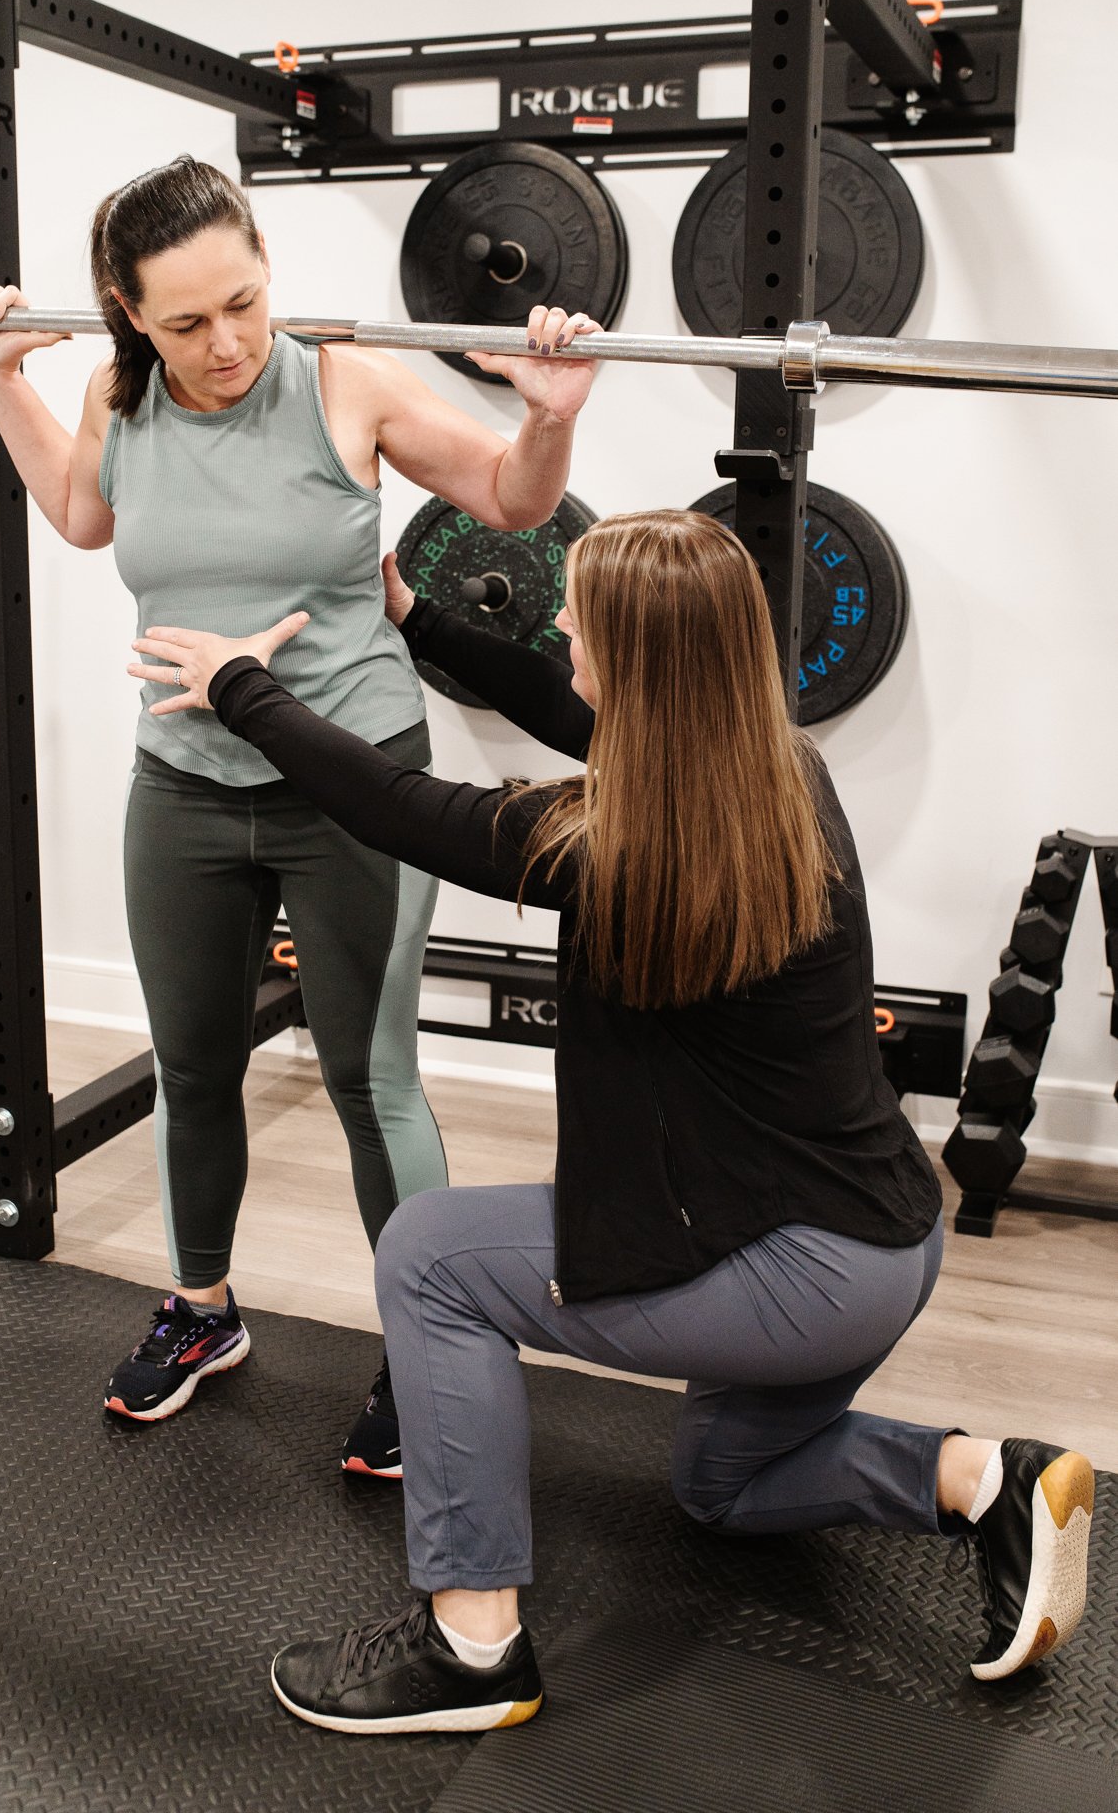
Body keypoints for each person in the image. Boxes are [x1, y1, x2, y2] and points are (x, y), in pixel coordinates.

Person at [127, 506, 1095, 1734]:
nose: (561, 623)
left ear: (639, 661)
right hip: (891, 1238)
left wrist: (237, 683)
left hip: (793, 1271)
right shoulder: (778, 771)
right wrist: (415, 616)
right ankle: (980, 1478)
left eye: (580, 616)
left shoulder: (608, 845)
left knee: (429, 1255)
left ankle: (470, 1646)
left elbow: (391, 802)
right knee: (719, 1483)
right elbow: (561, 703)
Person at [0, 153, 601, 1460]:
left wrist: (545, 415)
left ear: (265, 272)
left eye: (244, 302)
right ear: (127, 315)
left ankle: (426, 1351)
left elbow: (511, 500)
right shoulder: (117, 393)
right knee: (193, 1070)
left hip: (351, 778)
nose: (228, 343)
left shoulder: (343, 384)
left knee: (374, 1080)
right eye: (187, 322)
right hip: (184, 784)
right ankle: (201, 1308)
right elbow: (84, 516)